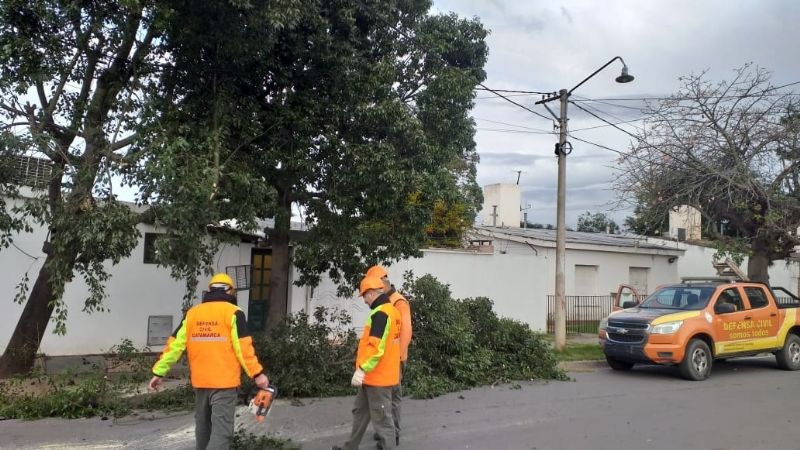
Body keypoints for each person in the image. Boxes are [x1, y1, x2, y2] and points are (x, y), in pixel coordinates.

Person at [148, 273, 269, 450]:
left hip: (201, 382)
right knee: (222, 432)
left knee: (203, 429)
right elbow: (243, 347)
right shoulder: (234, 312)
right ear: (231, 291)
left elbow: (175, 345)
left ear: (210, 290)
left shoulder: (193, 313)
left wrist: (158, 372)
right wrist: (257, 374)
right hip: (224, 383)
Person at [333, 276, 401, 450]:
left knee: (383, 421)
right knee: (360, 413)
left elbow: (376, 348)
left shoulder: (381, 314)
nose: (364, 300)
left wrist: (362, 369)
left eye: (364, 296)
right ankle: (350, 447)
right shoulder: (390, 310)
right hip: (373, 377)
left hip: (378, 379)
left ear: (371, 293)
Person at [366, 265, 412, 446]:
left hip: (394, 359)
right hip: (383, 358)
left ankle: (393, 434)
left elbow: (406, 333)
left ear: (382, 284)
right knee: (382, 398)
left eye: (373, 288)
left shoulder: (399, 302)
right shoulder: (384, 301)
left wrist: (398, 358)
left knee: (392, 398)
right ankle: (384, 432)